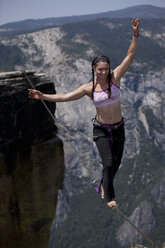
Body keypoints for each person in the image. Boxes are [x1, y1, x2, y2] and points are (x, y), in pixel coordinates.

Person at [28, 18, 140, 208]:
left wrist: (135, 34)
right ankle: (109, 198)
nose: (103, 72)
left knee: (115, 166)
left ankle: (104, 183)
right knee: (109, 163)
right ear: (94, 69)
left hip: (119, 128)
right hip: (101, 130)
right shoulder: (89, 88)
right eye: (100, 69)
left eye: (105, 69)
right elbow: (65, 97)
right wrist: (42, 96)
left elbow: (130, 55)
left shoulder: (116, 78)